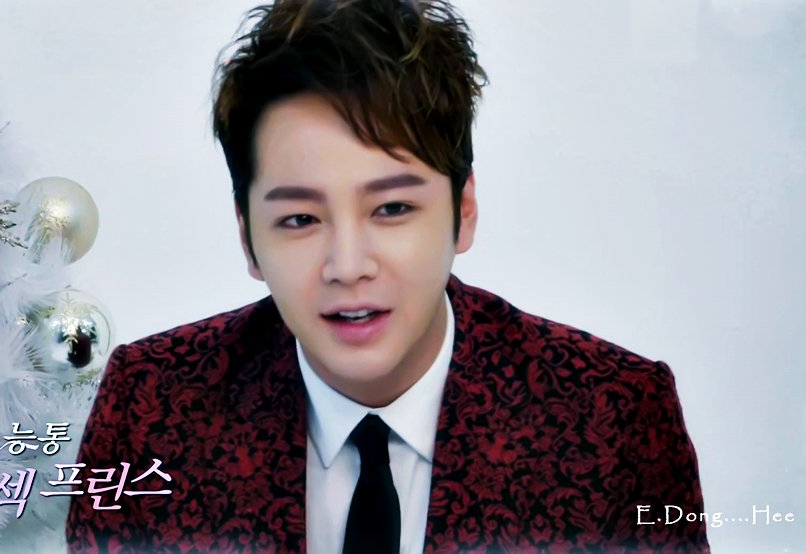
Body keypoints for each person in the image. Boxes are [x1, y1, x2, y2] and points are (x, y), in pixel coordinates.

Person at [66, 0, 710, 552]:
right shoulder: (149, 409)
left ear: (463, 211)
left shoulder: (615, 418)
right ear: (248, 238)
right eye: (299, 219)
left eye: (393, 209)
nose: (349, 266)